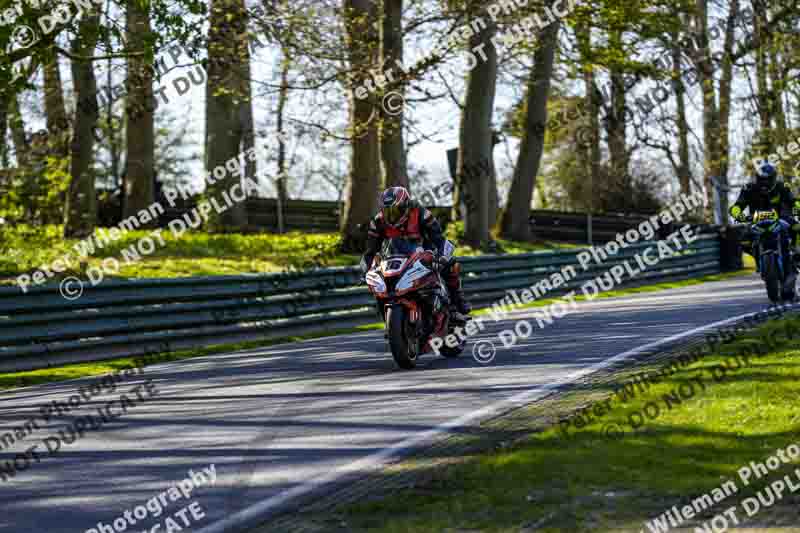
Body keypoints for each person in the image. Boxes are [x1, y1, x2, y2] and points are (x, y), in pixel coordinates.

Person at [360, 186, 471, 318]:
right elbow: (371, 250)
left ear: (406, 205)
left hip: (423, 253)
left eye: (396, 210)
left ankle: (457, 299)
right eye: (387, 211)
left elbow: (439, 239)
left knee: (451, 264)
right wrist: (365, 270)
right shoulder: (378, 221)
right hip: (394, 259)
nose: (392, 216)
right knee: (379, 284)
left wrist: (441, 257)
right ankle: (385, 312)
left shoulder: (422, 214)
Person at [729, 159, 800, 268]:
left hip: (781, 218)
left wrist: (797, 209)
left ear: (773, 178)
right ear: (757, 178)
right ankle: (757, 256)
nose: (765, 183)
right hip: (755, 220)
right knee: (743, 239)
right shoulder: (748, 188)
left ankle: (795, 251)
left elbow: (793, 201)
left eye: (767, 180)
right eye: (762, 180)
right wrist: (739, 215)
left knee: (796, 227)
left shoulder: (782, 187)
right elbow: (737, 206)